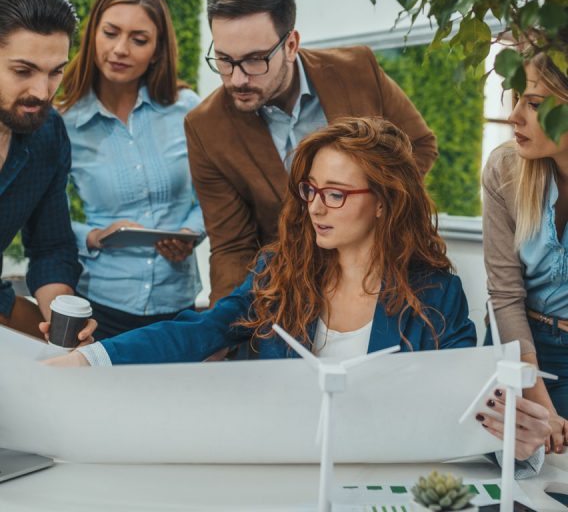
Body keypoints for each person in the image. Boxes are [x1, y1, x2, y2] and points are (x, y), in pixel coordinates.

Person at [51, 118, 548, 466]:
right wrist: (92, 360)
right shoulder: (280, 268)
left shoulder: (434, 291)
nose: (315, 208)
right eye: (311, 190)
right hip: (275, 463)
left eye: (336, 194)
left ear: (384, 203)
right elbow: (201, 330)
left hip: (377, 476)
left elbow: (465, 403)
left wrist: (512, 445)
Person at [186, 0, 438, 304]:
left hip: (389, 272)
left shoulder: (357, 69)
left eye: (254, 60)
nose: (237, 78)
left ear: (290, 45)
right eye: (224, 60)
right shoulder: (205, 127)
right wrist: (225, 330)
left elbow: (419, 146)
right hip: (291, 292)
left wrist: (367, 211)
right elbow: (232, 246)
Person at [56, 0, 205, 340]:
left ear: (157, 51)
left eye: (139, 40)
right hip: (100, 303)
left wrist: (190, 232)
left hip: (178, 301)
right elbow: (45, 217)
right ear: (93, 35)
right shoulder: (64, 123)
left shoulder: (188, 110)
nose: (120, 49)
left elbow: (218, 193)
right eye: (110, 33)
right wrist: (92, 236)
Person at [0, 0, 94, 343]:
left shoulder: (47, 134)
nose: (42, 91)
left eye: (56, 72)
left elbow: (51, 245)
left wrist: (62, 316)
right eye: (23, 71)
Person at [483, 46, 568, 455]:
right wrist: (540, 403)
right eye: (516, 98)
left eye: (532, 103)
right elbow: (504, 297)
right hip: (515, 344)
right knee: (503, 479)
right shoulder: (505, 169)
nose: (514, 116)